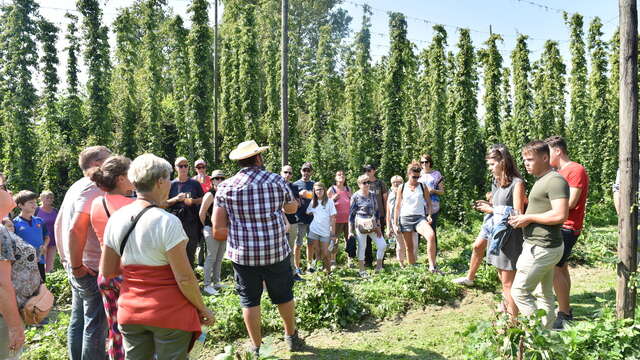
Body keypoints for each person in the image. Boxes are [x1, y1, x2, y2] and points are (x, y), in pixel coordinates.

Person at [101, 153, 214, 360]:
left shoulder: (116, 219)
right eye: (168, 178)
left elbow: (107, 271)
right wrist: (202, 307)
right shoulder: (167, 221)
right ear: (160, 181)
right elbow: (185, 278)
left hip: (130, 311)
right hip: (169, 314)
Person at [212, 140, 303, 357]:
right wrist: (290, 206)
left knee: (249, 300)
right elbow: (290, 207)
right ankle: (291, 336)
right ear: (258, 158)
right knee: (284, 295)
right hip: (275, 250)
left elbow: (218, 228)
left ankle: (256, 347)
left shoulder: (225, 187)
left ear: (239, 162)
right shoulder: (276, 180)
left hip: (243, 255)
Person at [55, 145, 112, 360]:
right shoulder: (93, 188)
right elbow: (74, 228)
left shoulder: (76, 186)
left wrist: (66, 260)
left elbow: (59, 223)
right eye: (110, 159)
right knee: (95, 328)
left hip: (77, 265)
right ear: (97, 165)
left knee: (78, 321)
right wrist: (77, 265)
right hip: (90, 268)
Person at [458, 146, 526, 318]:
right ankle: (508, 313)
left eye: (492, 164)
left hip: (510, 237)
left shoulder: (517, 184)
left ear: (502, 162)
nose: (489, 167)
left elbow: (518, 215)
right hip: (497, 235)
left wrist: (492, 210)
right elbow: (499, 207)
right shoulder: (497, 182)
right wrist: (491, 206)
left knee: (508, 283)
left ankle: (513, 323)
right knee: (503, 281)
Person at [509, 140, 569, 328]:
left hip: (542, 247)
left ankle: (537, 334)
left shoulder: (555, 181)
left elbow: (560, 215)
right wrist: (524, 217)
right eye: (524, 160)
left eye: (530, 159)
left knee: (519, 291)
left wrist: (529, 218)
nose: (526, 163)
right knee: (544, 294)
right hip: (541, 245)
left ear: (545, 157)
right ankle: (547, 332)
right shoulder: (543, 179)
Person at [89, 155, 135, 360]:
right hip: (129, 274)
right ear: (121, 178)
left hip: (106, 273)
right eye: (131, 173)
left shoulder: (97, 203)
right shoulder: (132, 206)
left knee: (115, 332)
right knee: (137, 333)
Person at [545, 136, 589, 329]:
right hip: (560, 225)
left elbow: (570, 202)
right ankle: (566, 309)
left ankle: (564, 314)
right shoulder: (558, 172)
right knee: (560, 267)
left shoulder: (575, 169)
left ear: (557, 151)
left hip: (568, 226)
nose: (545, 157)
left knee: (555, 268)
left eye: (548, 152)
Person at [0, 217, 41, 360]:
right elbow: (1, 283)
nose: (10, 194)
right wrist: (14, 327)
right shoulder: (0, 232)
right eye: (5, 192)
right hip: (5, 315)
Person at [393, 162, 438, 272]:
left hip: (419, 218)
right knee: (409, 247)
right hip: (405, 218)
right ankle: (412, 271)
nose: (416, 179)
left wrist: (430, 215)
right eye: (414, 177)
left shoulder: (423, 186)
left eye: (418, 177)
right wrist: (395, 223)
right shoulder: (401, 187)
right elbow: (397, 206)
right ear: (408, 174)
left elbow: (429, 203)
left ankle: (432, 266)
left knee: (431, 236)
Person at [166, 157, 204, 267]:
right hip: (174, 222)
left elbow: (203, 199)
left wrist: (192, 201)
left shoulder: (194, 183)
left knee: (190, 251)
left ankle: (190, 276)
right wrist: (176, 199)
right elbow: (164, 203)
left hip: (191, 222)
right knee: (175, 251)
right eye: (180, 166)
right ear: (175, 168)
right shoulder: (171, 185)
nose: (183, 168)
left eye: (186, 166)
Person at [349, 174, 387, 277]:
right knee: (362, 246)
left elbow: (377, 212)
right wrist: (350, 231)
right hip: (360, 223)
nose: (367, 184)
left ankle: (379, 267)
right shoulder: (355, 196)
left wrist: (378, 226)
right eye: (364, 183)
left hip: (372, 222)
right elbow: (351, 215)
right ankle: (362, 270)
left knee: (382, 245)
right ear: (359, 184)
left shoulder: (373, 194)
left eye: (368, 182)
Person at [198, 169, 227, 295]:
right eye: (217, 178)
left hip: (223, 229)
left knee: (219, 257)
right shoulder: (209, 195)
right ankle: (207, 284)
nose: (219, 180)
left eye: (222, 178)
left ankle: (216, 282)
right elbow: (201, 213)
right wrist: (207, 226)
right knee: (211, 257)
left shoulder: (224, 193)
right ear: (212, 181)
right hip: (210, 229)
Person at [13, 191, 50, 282]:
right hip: (23, 264)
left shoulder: (40, 221)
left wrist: (45, 246)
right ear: (20, 205)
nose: (34, 205)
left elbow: (46, 237)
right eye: (30, 202)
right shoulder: (14, 223)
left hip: (39, 261)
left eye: (35, 202)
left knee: (41, 288)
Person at [306, 183, 337, 273]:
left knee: (326, 253)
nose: (319, 191)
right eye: (317, 190)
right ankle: (319, 274)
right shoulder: (313, 202)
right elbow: (308, 212)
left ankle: (328, 272)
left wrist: (333, 234)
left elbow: (333, 218)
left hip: (326, 232)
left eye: (321, 189)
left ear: (324, 190)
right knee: (318, 252)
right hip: (314, 231)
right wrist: (314, 213)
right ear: (314, 191)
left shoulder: (329, 201)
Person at [280, 165, 304, 281]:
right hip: (279, 223)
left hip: (293, 221)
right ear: (281, 173)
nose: (287, 175)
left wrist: (289, 204)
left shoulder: (294, 187)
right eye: (285, 172)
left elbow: (298, 204)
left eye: (290, 173)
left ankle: (293, 273)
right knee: (279, 249)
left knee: (290, 248)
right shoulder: (276, 186)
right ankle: (281, 275)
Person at [386, 175, 416, 267]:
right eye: (394, 182)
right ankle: (401, 262)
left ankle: (412, 262)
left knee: (413, 242)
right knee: (400, 244)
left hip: (409, 220)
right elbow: (388, 212)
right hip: (396, 222)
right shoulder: (389, 194)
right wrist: (388, 227)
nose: (396, 184)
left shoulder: (408, 192)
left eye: (399, 182)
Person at [362, 164, 388, 268]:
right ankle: (368, 261)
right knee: (367, 239)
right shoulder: (364, 183)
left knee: (380, 238)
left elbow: (385, 200)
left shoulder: (380, 183)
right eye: (365, 170)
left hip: (379, 215)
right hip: (366, 217)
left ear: (374, 170)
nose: (367, 172)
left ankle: (381, 261)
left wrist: (386, 214)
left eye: (369, 170)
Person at [293, 162, 315, 273]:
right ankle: (297, 268)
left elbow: (319, 200)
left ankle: (309, 266)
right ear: (301, 171)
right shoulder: (295, 185)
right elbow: (290, 201)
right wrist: (300, 195)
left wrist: (310, 195)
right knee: (298, 244)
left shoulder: (315, 185)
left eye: (308, 170)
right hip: (299, 218)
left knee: (311, 244)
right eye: (304, 170)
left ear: (311, 172)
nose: (306, 172)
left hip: (312, 219)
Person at [327, 170, 352, 268]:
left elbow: (353, 201)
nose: (341, 176)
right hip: (336, 220)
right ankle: (333, 261)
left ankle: (350, 260)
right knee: (334, 240)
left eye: (343, 174)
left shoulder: (348, 189)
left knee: (349, 240)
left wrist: (351, 197)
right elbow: (325, 204)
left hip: (348, 219)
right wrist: (333, 199)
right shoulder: (332, 189)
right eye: (339, 175)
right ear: (335, 178)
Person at [419, 154, 445, 249]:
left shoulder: (436, 174)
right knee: (417, 231)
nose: (424, 164)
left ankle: (434, 253)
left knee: (432, 230)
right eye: (422, 162)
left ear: (430, 163)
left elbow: (442, 192)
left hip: (433, 206)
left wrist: (433, 191)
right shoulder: (418, 174)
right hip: (419, 206)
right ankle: (416, 256)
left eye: (426, 162)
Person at [36, 191, 58, 273]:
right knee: (41, 261)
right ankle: (41, 280)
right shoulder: (36, 210)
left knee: (50, 262)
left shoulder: (55, 210)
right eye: (47, 197)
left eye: (51, 197)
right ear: (41, 198)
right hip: (41, 240)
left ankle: (49, 280)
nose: (50, 199)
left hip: (53, 239)